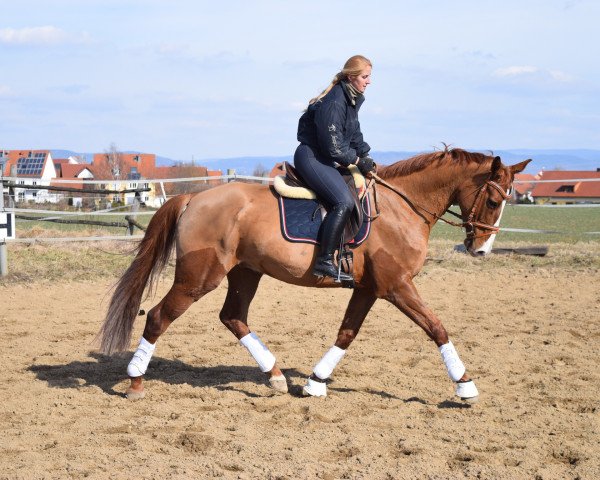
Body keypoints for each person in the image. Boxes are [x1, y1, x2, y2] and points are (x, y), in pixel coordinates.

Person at [294, 54, 375, 281]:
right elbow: (334, 148)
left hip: (324, 157)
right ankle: (324, 260)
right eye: (365, 77)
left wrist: (367, 155)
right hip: (312, 158)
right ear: (351, 76)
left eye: (369, 77)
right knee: (344, 201)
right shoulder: (335, 102)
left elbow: (354, 135)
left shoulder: (351, 99)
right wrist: (358, 161)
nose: (369, 81)